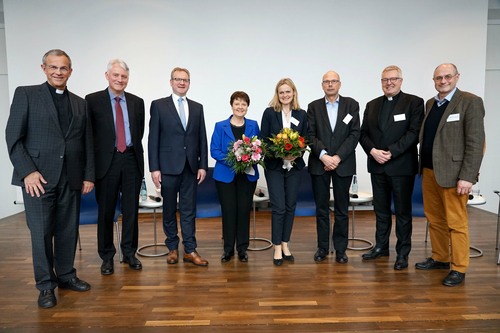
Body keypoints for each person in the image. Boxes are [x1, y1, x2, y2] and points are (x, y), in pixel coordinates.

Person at [5, 49, 94, 308]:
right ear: (43, 68)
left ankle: (66, 275)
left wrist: (88, 175)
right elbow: (13, 137)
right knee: (42, 234)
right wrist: (28, 172)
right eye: (53, 67)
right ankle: (46, 285)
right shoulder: (27, 94)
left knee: (68, 231)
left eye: (63, 68)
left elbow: (86, 141)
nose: (58, 72)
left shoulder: (79, 103)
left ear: (70, 71)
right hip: (38, 180)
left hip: (71, 178)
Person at [415, 63, 485, 286]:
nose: (443, 81)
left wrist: (468, 176)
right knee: (435, 219)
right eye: (438, 78)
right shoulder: (431, 103)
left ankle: (459, 267)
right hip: (428, 171)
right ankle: (440, 257)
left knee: (456, 223)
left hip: (455, 175)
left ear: (457, 77)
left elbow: (476, 143)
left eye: (447, 77)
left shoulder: (470, 102)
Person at [359, 65, 424, 270]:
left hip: (401, 167)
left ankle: (402, 253)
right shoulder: (372, 105)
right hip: (377, 166)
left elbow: (414, 133)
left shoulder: (414, 102)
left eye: (393, 79)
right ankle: (381, 246)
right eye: (385, 79)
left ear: (401, 81)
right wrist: (373, 151)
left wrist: (391, 151)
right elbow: (363, 134)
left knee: (403, 212)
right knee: (381, 210)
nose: (389, 82)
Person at [86, 59, 145, 275]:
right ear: (107, 76)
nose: (120, 80)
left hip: (131, 159)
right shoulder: (92, 101)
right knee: (106, 212)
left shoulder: (138, 102)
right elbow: (89, 137)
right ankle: (107, 256)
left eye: (124, 76)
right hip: (106, 163)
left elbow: (139, 134)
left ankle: (129, 253)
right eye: (116, 75)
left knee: (131, 211)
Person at [148, 67, 209, 266]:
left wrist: (203, 166)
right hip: (167, 167)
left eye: (185, 80)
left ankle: (190, 250)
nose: (182, 83)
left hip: (190, 167)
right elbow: (153, 138)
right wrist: (154, 168)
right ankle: (172, 248)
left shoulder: (197, 107)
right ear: (171, 82)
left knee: (188, 210)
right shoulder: (159, 106)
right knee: (168, 209)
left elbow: (202, 138)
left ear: (189, 83)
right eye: (178, 79)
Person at [307, 70, 360, 264]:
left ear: (340, 84)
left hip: (343, 164)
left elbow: (354, 134)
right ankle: (322, 247)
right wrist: (324, 156)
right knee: (321, 209)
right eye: (326, 82)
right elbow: (310, 135)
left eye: (334, 81)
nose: (330, 84)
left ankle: (340, 249)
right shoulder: (313, 107)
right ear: (322, 85)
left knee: (341, 209)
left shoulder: (351, 105)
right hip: (319, 164)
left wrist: (337, 157)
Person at [260, 78, 308, 266]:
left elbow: (306, 138)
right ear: (277, 94)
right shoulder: (270, 113)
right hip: (274, 167)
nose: (285, 95)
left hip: (295, 167)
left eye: (288, 91)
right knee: (279, 207)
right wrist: (281, 154)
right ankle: (277, 246)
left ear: (294, 93)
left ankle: (286, 243)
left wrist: (296, 153)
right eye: (281, 92)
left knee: (290, 206)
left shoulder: (301, 114)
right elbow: (264, 140)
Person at [210, 91, 260, 263]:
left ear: (247, 107)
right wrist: (236, 160)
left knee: (244, 211)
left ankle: (242, 249)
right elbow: (214, 151)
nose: (240, 107)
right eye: (237, 103)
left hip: (247, 176)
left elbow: (259, 149)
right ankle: (228, 249)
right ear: (231, 105)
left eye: (243, 104)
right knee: (229, 211)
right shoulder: (220, 126)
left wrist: (251, 157)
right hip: (225, 176)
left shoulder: (254, 125)